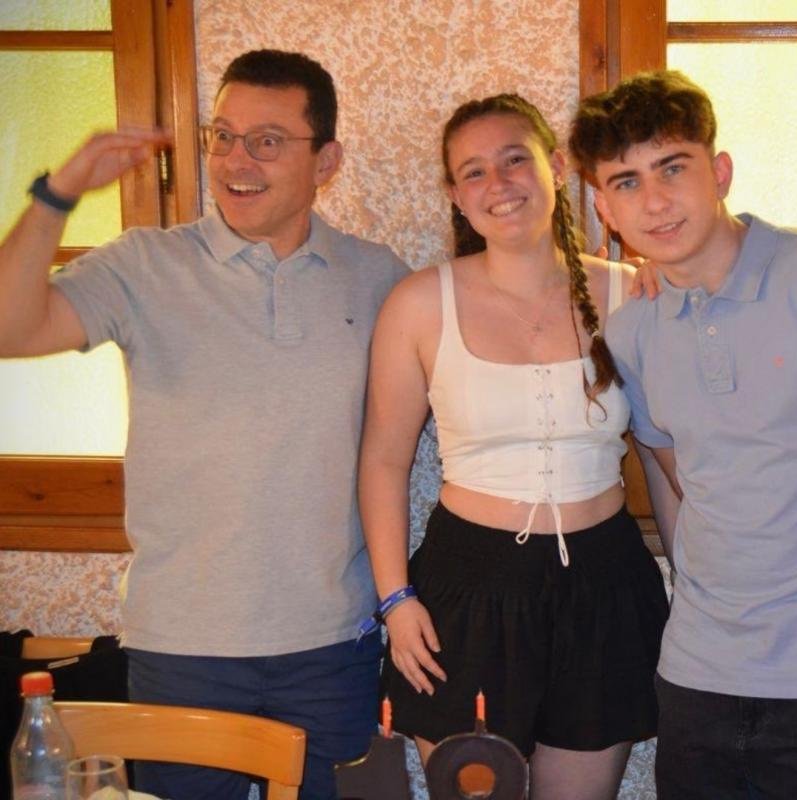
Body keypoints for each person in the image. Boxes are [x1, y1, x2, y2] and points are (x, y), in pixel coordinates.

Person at [0, 50, 409, 799]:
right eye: (222, 135)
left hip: (332, 645)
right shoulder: (143, 265)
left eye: (267, 141)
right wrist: (59, 193)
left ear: (326, 161)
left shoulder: (377, 276)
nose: (235, 160)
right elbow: (9, 326)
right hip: (181, 647)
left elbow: (475, 344)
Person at [568, 70, 797, 800]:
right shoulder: (633, 329)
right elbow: (679, 482)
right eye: (627, 182)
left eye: (673, 168)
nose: (655, 200)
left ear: (720, 172)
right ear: (604, 207)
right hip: (698, 673)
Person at [357, 93, 671, 800]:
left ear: (555, 167)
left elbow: (665, 451)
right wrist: (395, 599)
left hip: (604, 587)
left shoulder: (631, 294)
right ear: (454, 195)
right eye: (473, 172)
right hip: (466, 592)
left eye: (513, 160)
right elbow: (383, 460)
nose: (497, 183)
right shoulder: (418, 303)